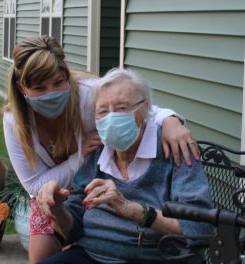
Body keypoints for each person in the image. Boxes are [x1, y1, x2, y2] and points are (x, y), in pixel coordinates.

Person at [3, 35, 200, 263]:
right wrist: (79, 158)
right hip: (54, 193)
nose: (51, 92)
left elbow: (135, 102)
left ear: (67, 76)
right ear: (21, 88)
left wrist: (171, 120)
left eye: (58, 82)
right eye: (39, 88)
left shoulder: (89, 94)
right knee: (40, 257)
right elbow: (36, 186)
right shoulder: (14, 120)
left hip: (125, 227)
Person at [36, 68, 213, 264]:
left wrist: (134, 210)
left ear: (144, 109)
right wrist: (58, 207)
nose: (111, 118)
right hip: (90, 255)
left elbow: (199, 228)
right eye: (103, 111)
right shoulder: (98, 152)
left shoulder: (174, 150)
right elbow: (73, 228)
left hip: (151, 258)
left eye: (121, 108)